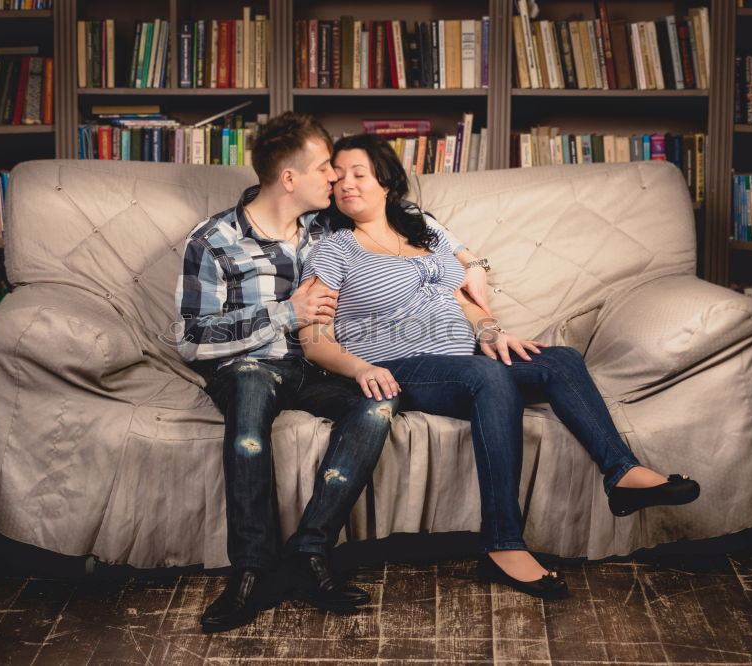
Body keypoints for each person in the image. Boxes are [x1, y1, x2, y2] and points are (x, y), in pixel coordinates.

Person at [298, 133, 701, 600]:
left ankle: (622, 475)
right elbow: (314, 341)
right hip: (394, 365)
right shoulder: (334, 249)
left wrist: (490, 330)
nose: (345, 183)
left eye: (359, 173)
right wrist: (358, 369)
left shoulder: (421, 235)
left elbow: (457, 299)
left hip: (461, 362)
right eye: (338, 175)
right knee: (486, 375)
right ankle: (502, 543)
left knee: (559, 360)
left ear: (386, 182)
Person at [175, 113, 491, 632]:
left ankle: (311, 551)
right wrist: (285, 314)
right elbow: (192, 340)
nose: (339, 179)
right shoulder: (214, 241)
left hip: (319, 365)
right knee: (253, 389)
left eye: (345, 172)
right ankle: (252, 569)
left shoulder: (329, 224)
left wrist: (470, 259)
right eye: (327, 168)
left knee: (378, 402)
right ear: (291, 179)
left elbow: (408, 215)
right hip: (252, 366)